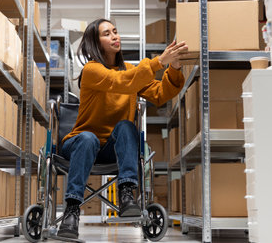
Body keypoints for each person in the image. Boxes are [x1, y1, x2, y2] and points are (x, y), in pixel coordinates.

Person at [57, 18, 188, 239]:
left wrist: (174, 67)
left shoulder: (131, 72)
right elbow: (120, 81)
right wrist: (158, 62)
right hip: (79, 144)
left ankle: (127, 194)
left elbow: (161, 93)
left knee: (127, 126)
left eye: (115, 31)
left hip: (111, 148)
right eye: (107, 33)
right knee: (89, 139)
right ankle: (71, 212)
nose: (115, 36)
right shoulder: (92, 70)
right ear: (95, 43)